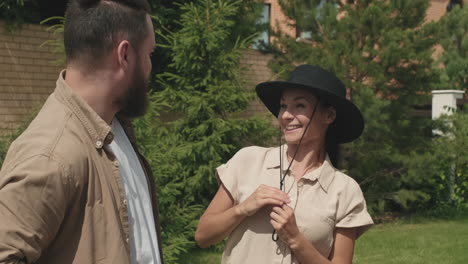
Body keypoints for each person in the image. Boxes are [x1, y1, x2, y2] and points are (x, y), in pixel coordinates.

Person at [0, 0, 163, 263]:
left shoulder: (114, 127)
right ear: (125, 55)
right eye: (150, 54)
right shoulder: (52, 154)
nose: (149, 67)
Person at [195, 65, 373, 263]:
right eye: (283, 106)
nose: (286, 115)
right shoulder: (248, 161)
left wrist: (296, 239)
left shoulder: (345, 190)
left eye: (299, 106)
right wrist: (244, 208)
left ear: (329, 116)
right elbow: (203, 236)